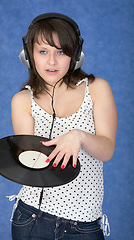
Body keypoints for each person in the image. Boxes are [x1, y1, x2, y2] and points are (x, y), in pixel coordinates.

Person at [10, 12, 117, 240]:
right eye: (43, 52)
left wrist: (79, 137)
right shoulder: (21, 101)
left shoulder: (96, 89)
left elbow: (107, 150)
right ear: (28, 56)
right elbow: (29, 165)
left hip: (83, 222)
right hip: (30, 217)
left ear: (75, 55)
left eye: (61, 51)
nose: (51, 61)